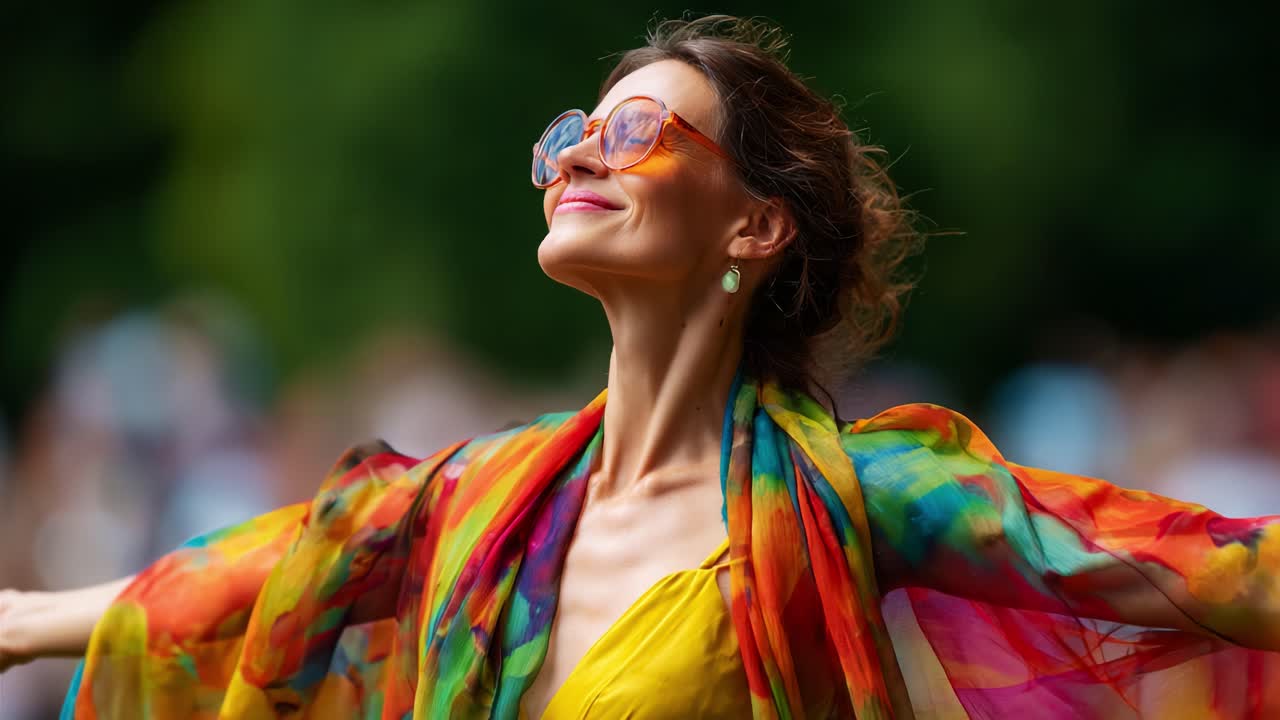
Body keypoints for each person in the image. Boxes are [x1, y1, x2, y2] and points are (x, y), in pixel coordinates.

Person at [4, 12, 1280, 719]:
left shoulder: (855, 499)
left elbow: (1216, 574)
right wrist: (21, 627)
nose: (576, 159)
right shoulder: (477, 504)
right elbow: (253, 574)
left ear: (753, 224)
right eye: (569, 136)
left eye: (631, 130)